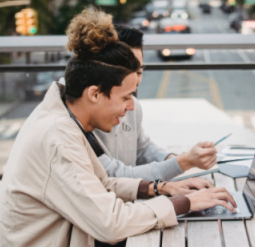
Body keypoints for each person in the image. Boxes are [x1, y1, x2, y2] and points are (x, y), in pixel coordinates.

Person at [0, 9, 237, 247]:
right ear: (94, 93)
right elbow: (110, 223)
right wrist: (184, 203)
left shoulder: (65, 118)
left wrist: (159, 188)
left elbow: (100, 183)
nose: (132, 106)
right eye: (127, 96)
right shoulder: (57, 137)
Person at [93, 25, 217, 182]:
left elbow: (142, 149)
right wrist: (184, 162)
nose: (135, 80)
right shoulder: (83, 113)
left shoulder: (133, 107)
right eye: (127, 71)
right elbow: (112, 176)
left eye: (139, 72)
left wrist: (170, 159)